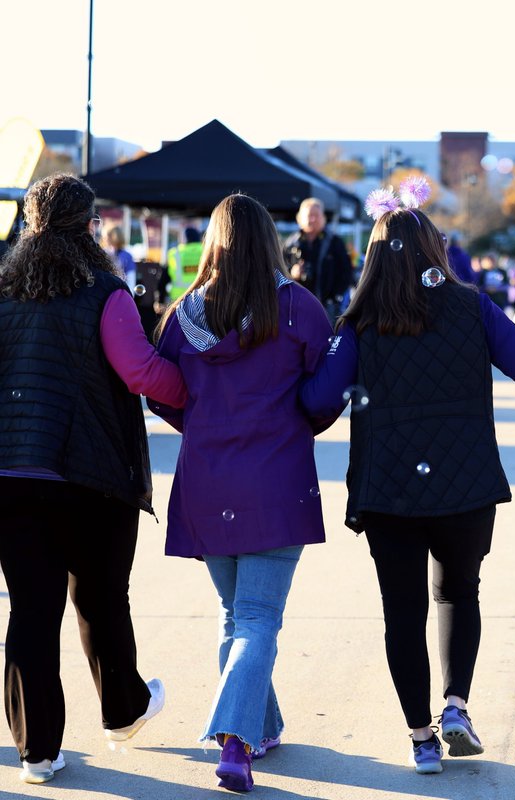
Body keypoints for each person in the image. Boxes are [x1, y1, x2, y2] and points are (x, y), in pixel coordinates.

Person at [301, 180, 515, 775]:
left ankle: (420, 739)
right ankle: (456, 707)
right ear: (434, 252)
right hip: (465, 484)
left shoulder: (359, 322)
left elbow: (318, 401)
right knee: (458, 593)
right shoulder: (473, 307)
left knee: (402, 610)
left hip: (388, 489)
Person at [0, 174, 183, 784]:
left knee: (31, 610)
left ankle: (37, 753)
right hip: (88, 476)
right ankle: (123, 713)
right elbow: (140, 372)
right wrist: (198, 394)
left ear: (30, 227)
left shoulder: (1, 291)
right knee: (100, 596)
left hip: (10, 474)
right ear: (90, 229)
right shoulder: (105, 292)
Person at [151, 193, 334, 793]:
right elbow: (326, 391)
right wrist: (302, 421)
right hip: (276, 480)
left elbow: (163, 393)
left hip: (207, 479)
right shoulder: (299, 309)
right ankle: (236, 743)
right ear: (269, 241)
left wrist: (204, 425)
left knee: (238, 617)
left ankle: (264, 726)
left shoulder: (184, 315)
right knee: (255, 620)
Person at [284, 197, 354, 323]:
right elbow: (278, 272)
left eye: (316, 215)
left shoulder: (335, 243)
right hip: (297, 308)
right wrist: (291, 273)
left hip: (327, 308)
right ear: (299, 219)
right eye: (309, 215)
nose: (313, 219)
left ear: (323, 218)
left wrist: (334, 297)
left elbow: (347, 272)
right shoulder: (290, 244)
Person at [165, 226, 204, 302]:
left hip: (178, 299)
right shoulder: (206, 251)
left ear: (185, 239)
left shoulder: (175, 253)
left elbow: (165, 277)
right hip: (202, 297)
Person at [103, 222, 137, 290]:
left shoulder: (126, 256)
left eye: (107, 236)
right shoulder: (103, 253)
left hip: (120, 291)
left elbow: (131, 279)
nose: (104, 239)